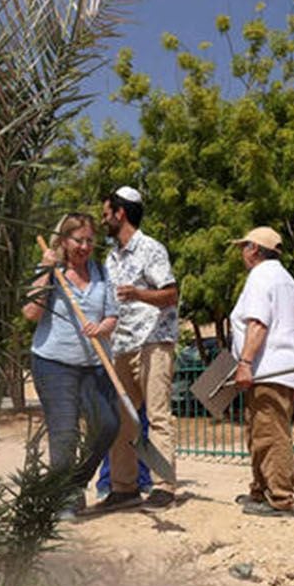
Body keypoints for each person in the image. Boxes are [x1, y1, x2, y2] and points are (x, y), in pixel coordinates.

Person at [23, 213, 121, 516]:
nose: (85, 246)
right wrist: (46, 272)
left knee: (108, 424)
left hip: (94, 364)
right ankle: (60, 499)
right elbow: (30, 313)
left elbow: (113, 315)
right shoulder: (52, 270)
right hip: (53, 363)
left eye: (90, 240)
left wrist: (103, 327)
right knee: (64, 433)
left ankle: (74, 484)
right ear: (64, 241)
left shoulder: (102, 273)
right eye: (79, 240)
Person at [101, 186, 181, 510]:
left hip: (153, 342)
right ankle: (124, 486)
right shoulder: (110, 257)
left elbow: (170, 294)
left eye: (106, 213)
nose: (104, 219)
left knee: (158, 415)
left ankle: (164, 486)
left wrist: (137, 294)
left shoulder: (151, 249)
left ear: (120, 213)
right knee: (122, 419)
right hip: (122, 344)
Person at [229, 227, 294, 518]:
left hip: (268, 367)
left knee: (271, 433)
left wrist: (245, 362)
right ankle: (261, 491)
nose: (241, 253)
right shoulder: (285, 279)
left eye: (244, 246)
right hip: (279, 366)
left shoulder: (261, 276)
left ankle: (280, 498)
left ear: (254, 250)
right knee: (261, 431)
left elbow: (258, 323)